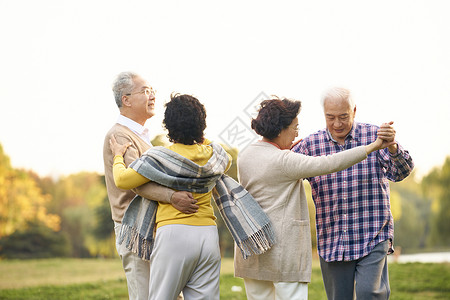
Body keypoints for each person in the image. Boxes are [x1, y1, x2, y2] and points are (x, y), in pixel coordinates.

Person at [235, 97, 396, 300]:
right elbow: (330, 163)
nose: (297, 133)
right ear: (279, 130)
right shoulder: (286, 160)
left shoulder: (245, 155)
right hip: (283, 253)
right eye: (295, 127)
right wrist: (371, 147)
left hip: (252, 250)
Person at [292, 87, 414, 299]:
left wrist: (393, 148)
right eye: (330, 117)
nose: (337, 124)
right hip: (333, 240)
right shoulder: (310, 145)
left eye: (343, 116)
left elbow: (401, 172)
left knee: (370, 293)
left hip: (373, 234)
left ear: (354, 111)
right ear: (324, 114)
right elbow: (282, 170)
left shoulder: (375, 136)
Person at [110, 94, 233, 300]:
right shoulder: (215, 156)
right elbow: (226, 158)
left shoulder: (161, 158)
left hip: (173, 235)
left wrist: (117, 156)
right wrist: (201, 137)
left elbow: (122, 180)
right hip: (208, 236)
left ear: (168, 126)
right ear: (201, 125)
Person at [103, 72, 197, 300]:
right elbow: (137, 183)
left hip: (154, 228)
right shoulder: (120, 136)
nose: (152, 96)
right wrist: (173, 197)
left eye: (152, 90)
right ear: (126, 99)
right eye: (145, 91)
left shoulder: (140, 135)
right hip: (135, 229)